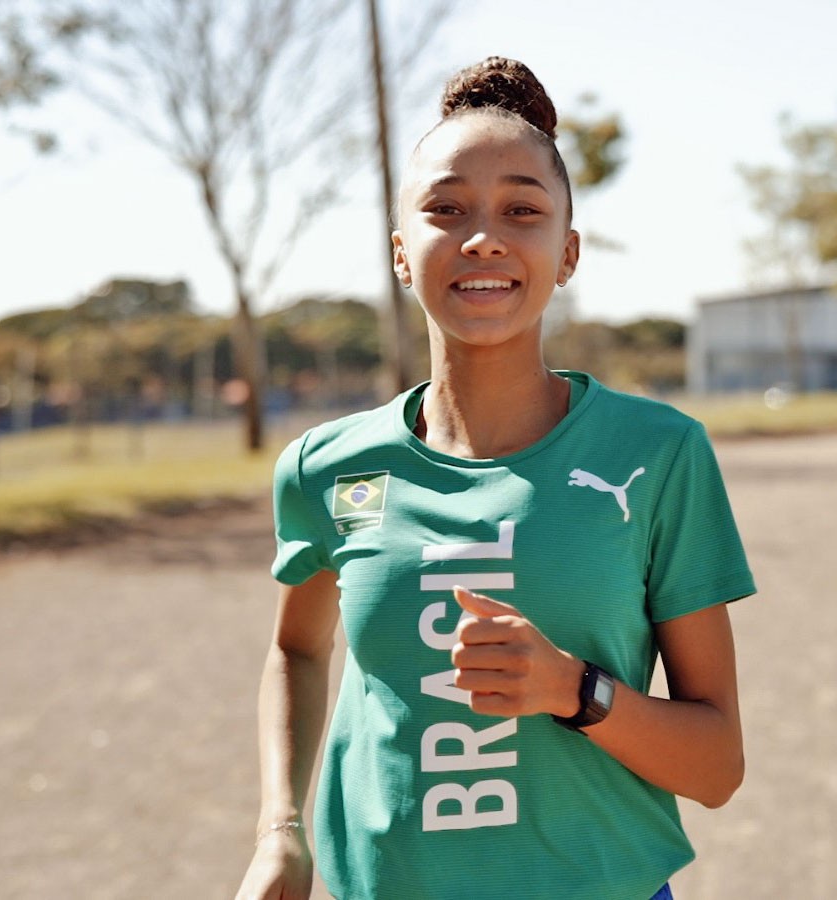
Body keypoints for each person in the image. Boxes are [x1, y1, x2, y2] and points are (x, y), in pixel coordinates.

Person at [235, 56, 756, 900]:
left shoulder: (657, 454)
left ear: (567, 252)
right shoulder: (326, 467)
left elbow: (717, 766)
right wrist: (280, 832)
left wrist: (572, 690)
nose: (483, 237)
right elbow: (297, 648)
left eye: (523, 209)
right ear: (401, 253)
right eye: (446, 209)